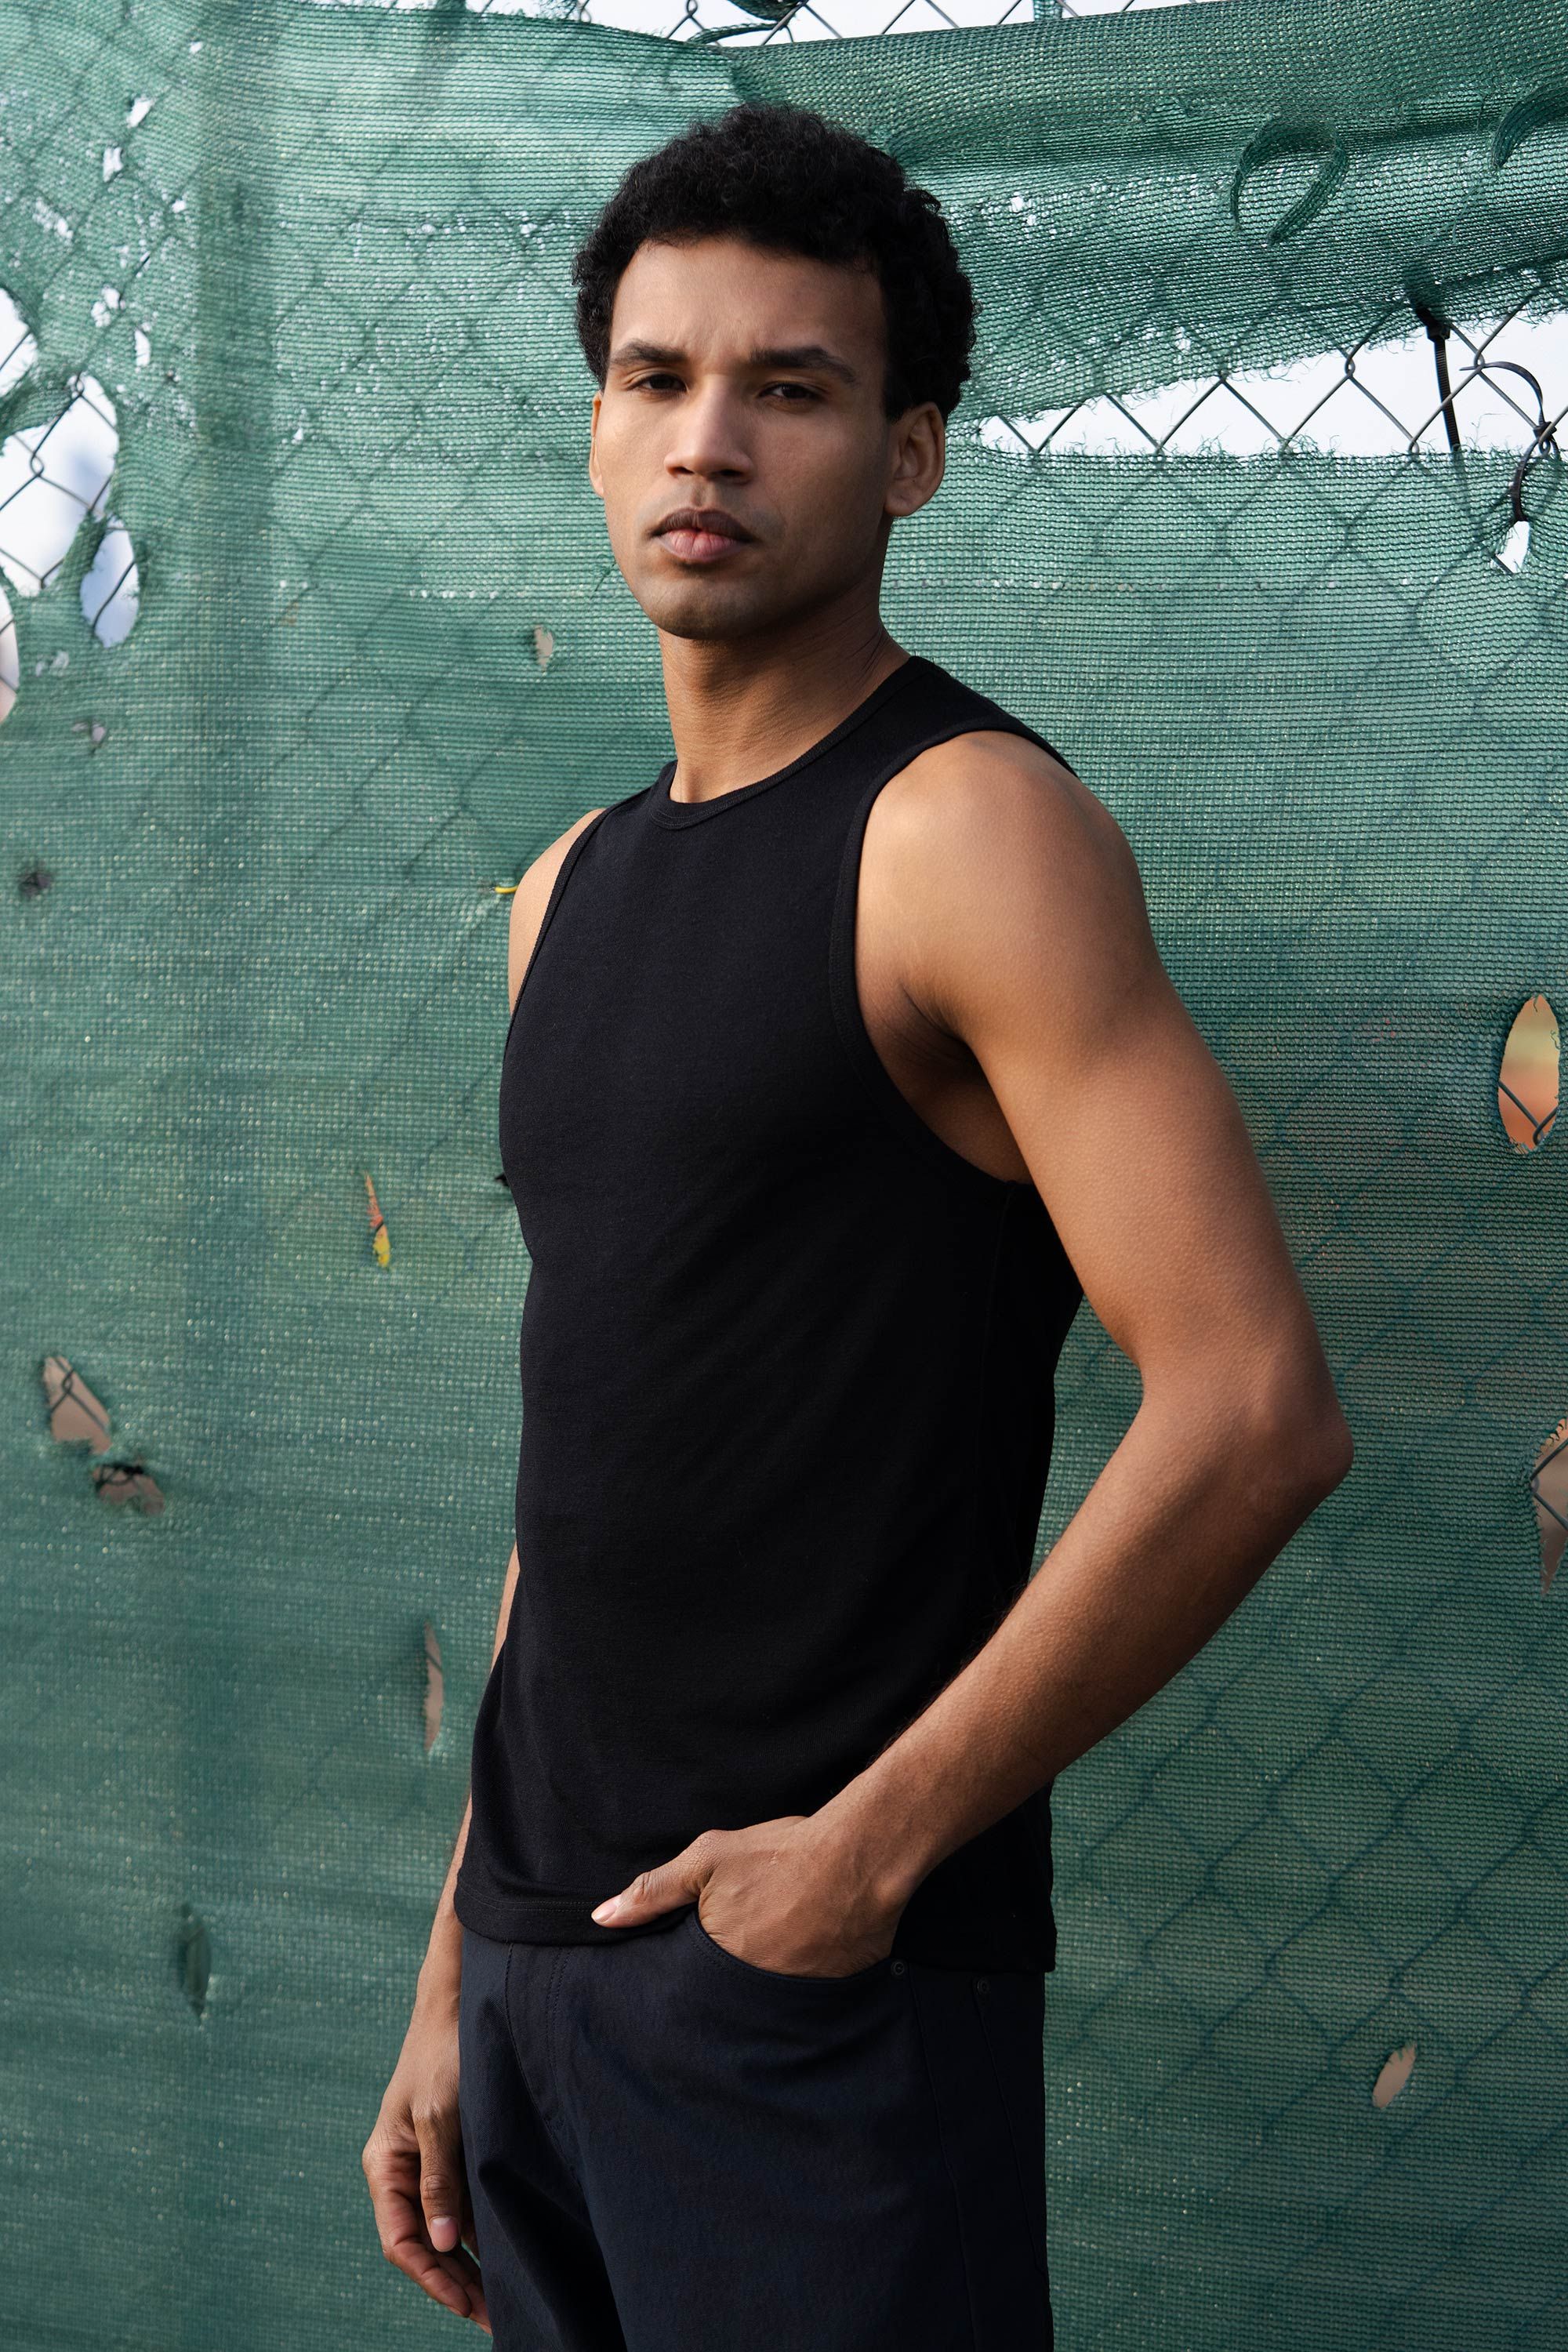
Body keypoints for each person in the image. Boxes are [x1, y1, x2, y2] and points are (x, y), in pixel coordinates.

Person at [361, 100, 1352, 2351]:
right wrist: (456, 1969)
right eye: (656, 378)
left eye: (790, 390)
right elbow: (585, 1467)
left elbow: (1255, 1409)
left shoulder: (965, 833)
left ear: (909, 457)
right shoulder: (565, 892)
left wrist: (867, 1859)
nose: (707, 440)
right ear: (597, 427)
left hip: (816, 1989)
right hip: (538, 1977)